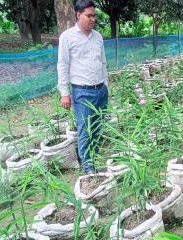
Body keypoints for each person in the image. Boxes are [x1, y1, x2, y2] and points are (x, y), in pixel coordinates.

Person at [57, 0, 108, 174]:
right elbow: (62, 65)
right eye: (89, 15)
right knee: (85, 130)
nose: (93, 19)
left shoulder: (98, 37)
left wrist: (106, 86)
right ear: (78, 15)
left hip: (101, 90)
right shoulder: (67, 37)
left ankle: (95, 158)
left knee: (98, 127)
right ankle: (88, 168)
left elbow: (103, 62)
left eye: (94, 15)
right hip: (82, 92)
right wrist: (65, 93)